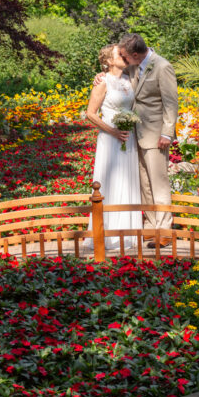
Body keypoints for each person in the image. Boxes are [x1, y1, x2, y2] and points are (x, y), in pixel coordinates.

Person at [94, 34, 178, 248]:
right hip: (135, 135)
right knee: (145, 186)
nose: (122, 58)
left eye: (124, 55)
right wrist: (99, 75)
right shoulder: (133, 66)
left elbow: (171, 103)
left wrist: (167, 133)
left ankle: (164, 231)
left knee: (158, 184)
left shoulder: (162, 67)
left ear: (134, 55)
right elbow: (112, 76)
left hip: (156, 135)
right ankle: (150, 227)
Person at [85, 43, 142, 249]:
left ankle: (128, 234)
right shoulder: (102, 82)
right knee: (110, 182)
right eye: (120, 53)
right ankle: (106, 235)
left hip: (129, 137)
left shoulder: (130, 79)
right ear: (109, 61)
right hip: (111, 139)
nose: (124, 56)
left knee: (128, 182)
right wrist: (114, 132)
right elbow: (91, 113)